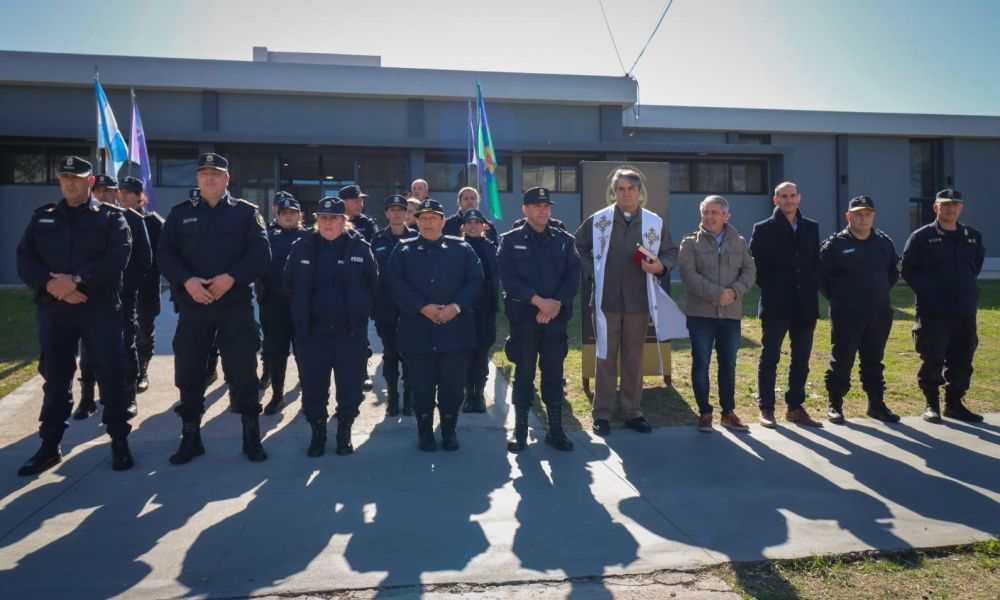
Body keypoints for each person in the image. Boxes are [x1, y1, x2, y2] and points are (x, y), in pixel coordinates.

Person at [15, 156, 134, 474]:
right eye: (65, 177)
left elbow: (118, 256)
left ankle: (119, 442)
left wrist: (76, 280)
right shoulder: (43, 218)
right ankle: (49, 446)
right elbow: (25, 259)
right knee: (55, 378)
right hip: (56, 311)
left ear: (90, 182)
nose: (70, 182)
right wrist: (51, 285)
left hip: (98, 310)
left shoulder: (110, 218)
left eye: (77, 178)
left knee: (111, 374)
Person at [157, 152, 271, 464]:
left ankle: (251, 436)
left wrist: (232, 277)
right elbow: (165, 254)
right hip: (194, 306)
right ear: (197, 179)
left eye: (216, 173)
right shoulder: (180, 215)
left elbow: (261, 252)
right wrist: (187, 281)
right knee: (190, 371)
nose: (210, 178)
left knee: (243, 371)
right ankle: (191, 436)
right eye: (204, 173)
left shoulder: (246, 213)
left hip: (234, 305)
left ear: (226, 179)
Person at [574, 168, 677, 436]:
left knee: (633, 358)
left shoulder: (654, 223)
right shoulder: (599, 221)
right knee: (605, 356)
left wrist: (660, 267)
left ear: (641, 192)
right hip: (606, 301)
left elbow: (670, 252)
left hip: (639, 302)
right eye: (620, 189)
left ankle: (633, 412)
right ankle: (603, 413)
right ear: (614, 191)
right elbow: (579, 246)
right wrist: (591, 270)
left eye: (631, 188)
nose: (626, 193)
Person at [388, 198, 484, 452]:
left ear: (443, 221)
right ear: (416, 221)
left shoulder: (461, 249)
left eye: (433, 218)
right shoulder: (403, 250)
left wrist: (455, 307)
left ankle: (449, 430)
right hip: (417, 331)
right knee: (421, 386)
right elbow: (395, 283)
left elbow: (476, 280)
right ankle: (424, 432)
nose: (427, 223)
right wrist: (422, 307)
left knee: (453, 387)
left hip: (455, 331)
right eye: (422, 218)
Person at [285, 197, 377, 456]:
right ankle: (318, 432)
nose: (328, 223)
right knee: (314, 386)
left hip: (349, 333)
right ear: (317, 220)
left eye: (334, 218)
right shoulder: (302, 247)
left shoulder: (359, 247)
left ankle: (344, 430)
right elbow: (289, 283)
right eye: (323, 218)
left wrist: (358, 313)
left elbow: (372, 282)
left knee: (349, 385)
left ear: (343, 220)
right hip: (312, 333)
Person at [499, 187, 581, 452]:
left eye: (546, 206)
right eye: (536, 206)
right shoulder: (510, 241)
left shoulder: (564, 240)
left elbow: (572, 277)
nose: (543, 210)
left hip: (554, 321)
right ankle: (520, 431)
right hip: (524, 320)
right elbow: (508, 279)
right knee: (524, 375)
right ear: (525, 210)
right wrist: (538, 302)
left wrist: (554, 306)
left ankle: (555, 431)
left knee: (554, 375)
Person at [901, 188, 985, 423]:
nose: (950, 208)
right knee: (932, 357)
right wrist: (929, 291)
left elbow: (975, 266)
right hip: (934, 311)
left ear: (961, 208)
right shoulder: (922, 237)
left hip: (964, 310)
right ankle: (931, 404)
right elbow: (907, 269)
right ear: (935, 207)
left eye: (954, 204)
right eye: (945, 204)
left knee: (962, 357)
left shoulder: (972, 235)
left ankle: (955, 404)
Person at [74, 174, 152, 420]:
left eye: (110, 191)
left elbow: (145, 259)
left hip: (122, 296)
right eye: (99, 191)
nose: (104, 195)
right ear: (93, 192)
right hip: (89, 297)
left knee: (126, 345)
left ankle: (129, 397)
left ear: (116, 194)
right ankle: (87, 398)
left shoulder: (131, 219)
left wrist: (129, 286)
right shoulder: (83, 220)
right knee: (87, 351)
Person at [819, 195, 900, 424]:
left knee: (874, 360)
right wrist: (841, 299)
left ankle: (876, 404)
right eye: (858, 214)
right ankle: (835, 404)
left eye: (867, 214)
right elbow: (821, 278)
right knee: (842, 359)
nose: (863, 219)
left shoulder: (884, 243)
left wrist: (877, 295)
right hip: (847, 313)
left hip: (879, 312)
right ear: (848, 216)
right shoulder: (835, 244)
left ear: (873, 216)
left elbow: (893, 273)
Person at [678, 196, 756, 432]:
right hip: (701, 314)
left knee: (728, 364)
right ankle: (705, 412)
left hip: (730, 314)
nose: (709, 217)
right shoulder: (690, 243)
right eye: (706, 213)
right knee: (701, 362)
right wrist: (717, 294)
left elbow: (750, 271)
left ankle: (728, 413)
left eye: (714, 212)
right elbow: (688, 275)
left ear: (726, 216)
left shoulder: (739, 242)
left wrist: (734, 292)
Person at [748, 182, 822, 428]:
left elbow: (814, 263)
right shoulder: (763, 229)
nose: (789, 200)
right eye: (783, 196)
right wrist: (772, 287)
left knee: (801, 359)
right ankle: (767, 408)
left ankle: (795, 407)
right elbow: (753, 267)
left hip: (805, 306)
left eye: (792, 196)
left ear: (799, 198)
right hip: (776, 305)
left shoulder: (811, 228)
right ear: (775, 199)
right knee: (770, 358)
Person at [260, 191, 310, 415]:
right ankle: (278, 395)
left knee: (304, 350)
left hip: (304, 305)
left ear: (300, 215)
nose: (289, 216)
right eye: (285, 213)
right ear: (277, 215)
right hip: (276, 304)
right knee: (277, 351)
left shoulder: (311, 238)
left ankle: (308, 391)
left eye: (293, 213)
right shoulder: (268, 237)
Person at [372, 194, 417, 416]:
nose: (398, 213)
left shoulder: (417, 238)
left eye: (402, 209)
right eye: (393, 209)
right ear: (387, 213)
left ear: (407, 213)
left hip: (411, 308)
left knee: (410, 352)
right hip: (386, 306)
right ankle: (393, 396)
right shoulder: (376, 240)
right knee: (390, 353)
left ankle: (408, 397)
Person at [122, 176, 164, 395]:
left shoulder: (153, 221)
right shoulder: (114, 218)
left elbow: (167, 252)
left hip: (147, 285)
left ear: (140, 197)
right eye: (122, 191)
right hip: (122, 288)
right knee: (124, 332)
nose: (124, 196)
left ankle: (142, 372)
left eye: (130, 192)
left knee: (145, 330)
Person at [459, 209, 500, 413]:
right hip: (464, 309)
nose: (473, 226)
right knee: (467, 353)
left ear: (484, 227)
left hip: (485, 309)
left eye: (477, 223)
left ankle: (479, 393)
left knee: (482, 352)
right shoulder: (457, 247)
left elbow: (495, 277)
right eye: (469, 223)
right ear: (463, 226)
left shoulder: (490, 247)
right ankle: (468, 394)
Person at [340, 183, 377, 392]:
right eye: (357, 200)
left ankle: (362, 373)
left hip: (358, 288)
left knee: (360, 334)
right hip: (336, 288)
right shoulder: (333, 221)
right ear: (345, 203)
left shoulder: (367, 224)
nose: (361, 204)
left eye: (362, 200)